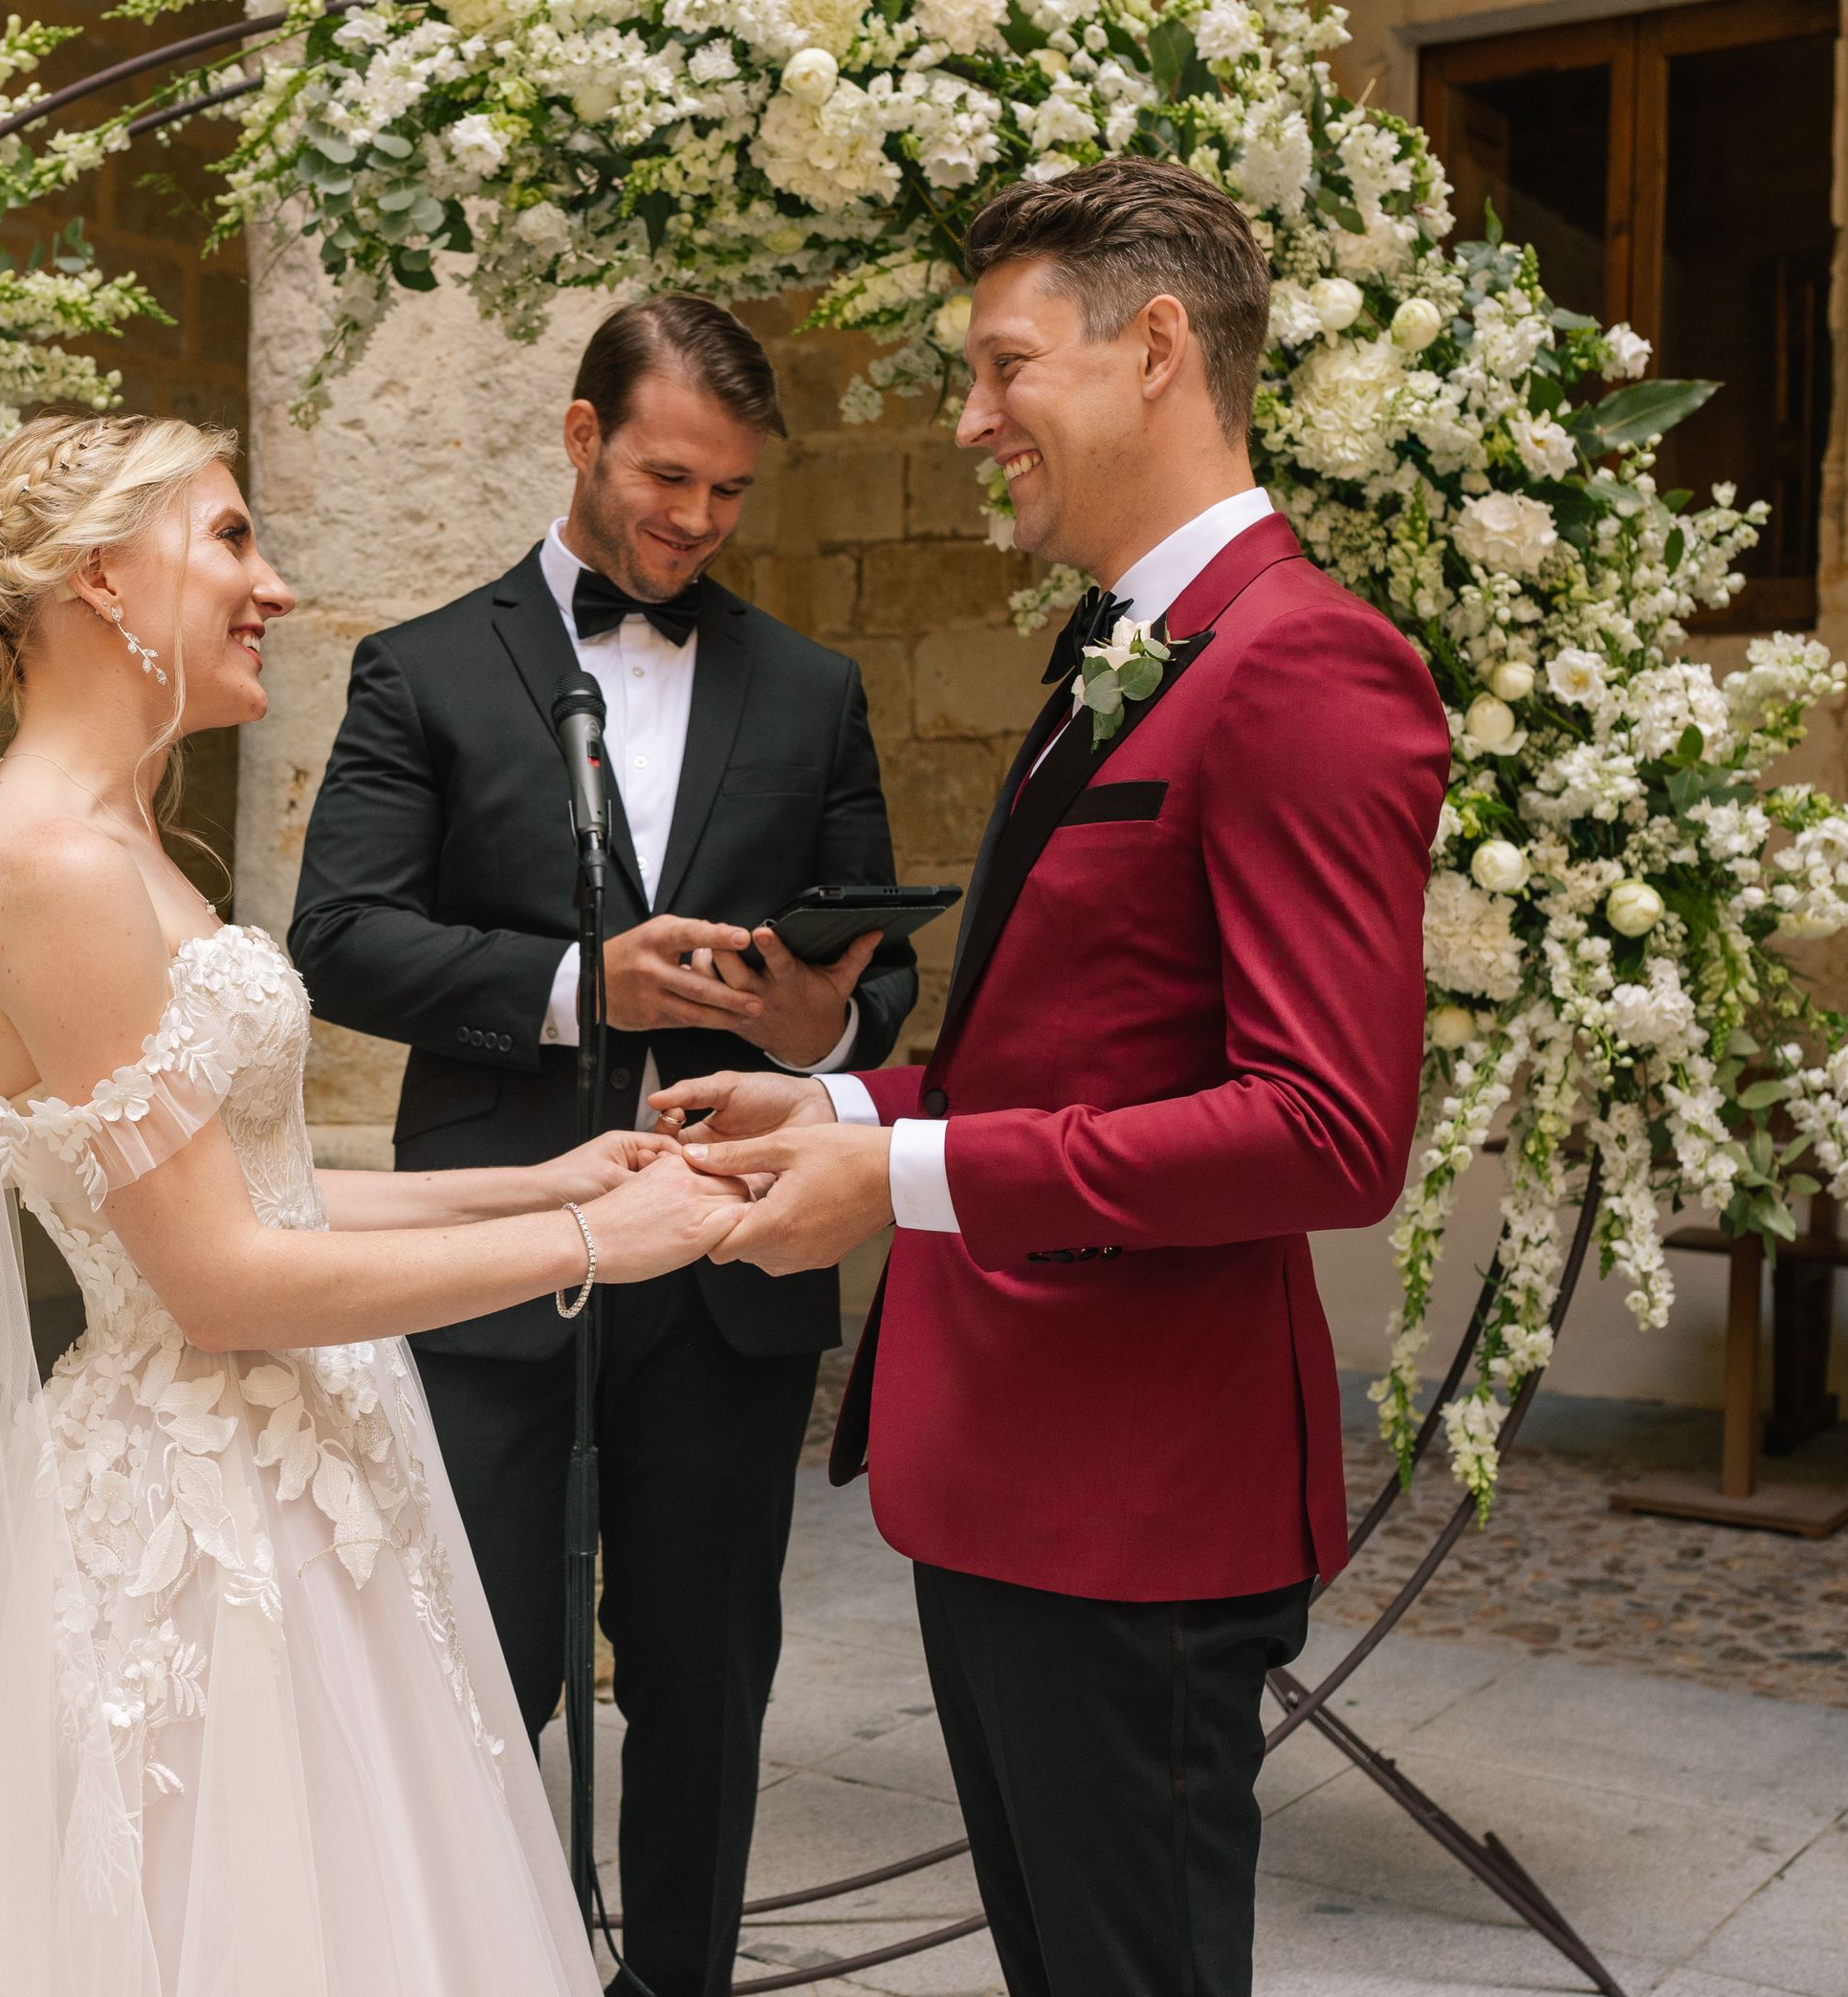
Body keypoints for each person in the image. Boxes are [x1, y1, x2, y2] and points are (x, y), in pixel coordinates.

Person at [0, 412, 756, 1997]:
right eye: (232, 539)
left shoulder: (125, 839)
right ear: (105, 579)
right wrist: (602, 1245)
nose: (270, 585)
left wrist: (540, 1176)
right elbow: (217, 1283)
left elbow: (249, 1183)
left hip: (297, 1468)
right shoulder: (45, 866)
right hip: (198, 1526)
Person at [658, 161, 1453, 1997]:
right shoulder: (1121, 652)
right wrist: (849, 1107)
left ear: (1156, 346)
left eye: (1002, 366)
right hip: (1006, 1477)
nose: (969, 419)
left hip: (1139, 1506)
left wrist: (902, 1187)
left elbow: (1329, 1131)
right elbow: (1063, 1051)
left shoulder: (1307, 664)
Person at [287, 296, 919, 1997]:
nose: (697, 521)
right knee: (479, 1685)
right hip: (494, 1281)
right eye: (666, 478)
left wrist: (816, 1031)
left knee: (710, 1693)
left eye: (728, 493)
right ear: (581, 437)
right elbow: (335, 937)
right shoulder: (421, 666)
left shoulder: (814, 687)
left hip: (727, 1269)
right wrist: (580, 983)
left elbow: (885, 971)